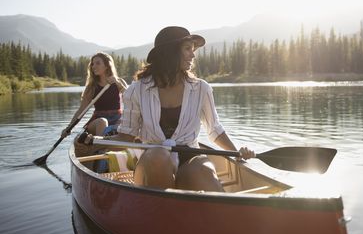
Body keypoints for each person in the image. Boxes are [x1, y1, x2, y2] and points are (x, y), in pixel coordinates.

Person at [77, 26, 254, 192]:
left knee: (204, 172)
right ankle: (164, 213)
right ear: (170, 53)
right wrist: (94, 143)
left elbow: (215, 130)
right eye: (188, 49)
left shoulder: (201, 89)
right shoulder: (137, 90)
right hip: (151, 161)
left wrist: (238, 153)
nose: (193, 55)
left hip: (190, 155)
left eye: (193, 49)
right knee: (159, 156)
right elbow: (126, 136)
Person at [63, 52, 128, 138]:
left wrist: (118, 83)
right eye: (93, 64)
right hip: (97, 121)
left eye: (98, 63)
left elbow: (131, 98)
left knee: (123, 122)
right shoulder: (92, 87)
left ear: (107, 66)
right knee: (102, 121)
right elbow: (81, 110)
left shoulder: (119, 82)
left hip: (116, 118)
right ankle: (99, 146)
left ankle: (112, 139)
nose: (93, 66)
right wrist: (69, 127)